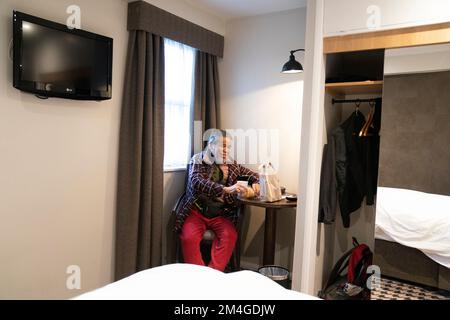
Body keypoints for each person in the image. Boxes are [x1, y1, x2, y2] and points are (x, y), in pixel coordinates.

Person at [175, 129, 260, 271]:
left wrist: (257, 181)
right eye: (223, 146)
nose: (227, 150)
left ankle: (214, 275)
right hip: (197, 211)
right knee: (188, 238)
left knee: (229, 236)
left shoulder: (233, 165)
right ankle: (198, 275)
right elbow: (197, 181)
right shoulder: (198, 160)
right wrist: (225, 189)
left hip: (221, 214)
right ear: (212, 145)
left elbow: (254, 175)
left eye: (229, 147)